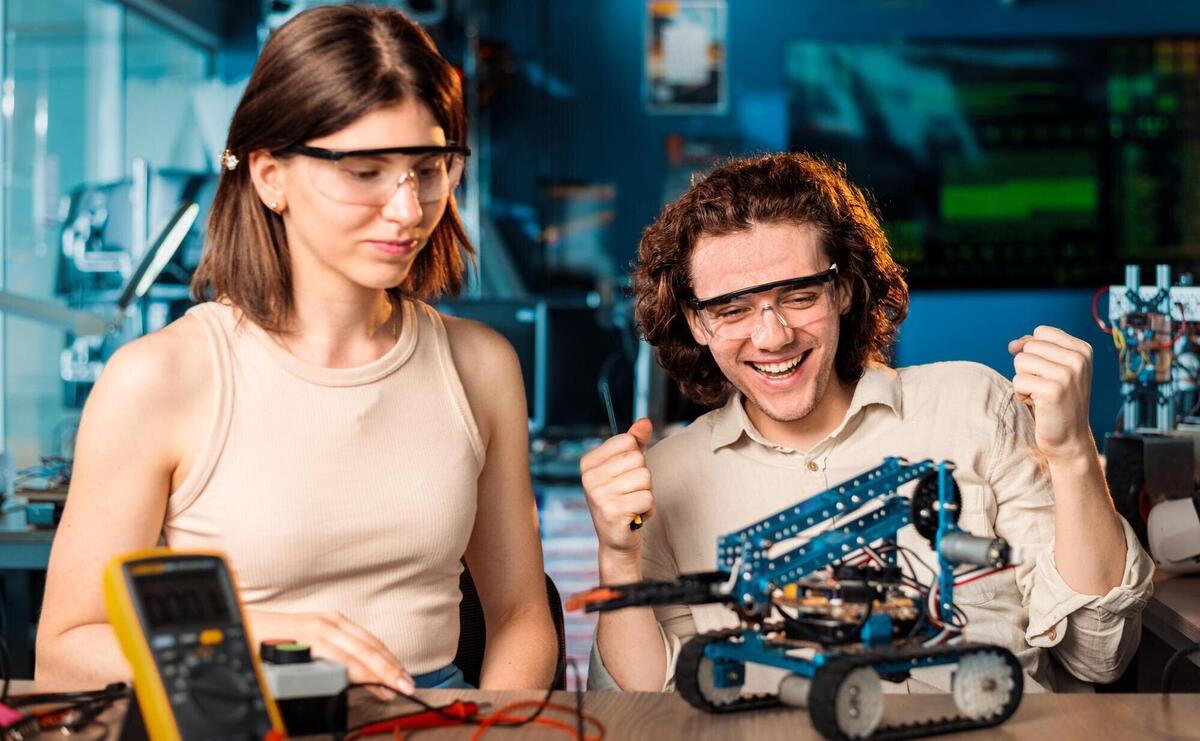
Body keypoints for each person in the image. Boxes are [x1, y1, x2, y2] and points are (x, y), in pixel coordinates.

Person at [37, 5, 556, 695]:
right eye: (365, 170)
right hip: (242, 713)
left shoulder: (480, 365)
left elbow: (521, 614)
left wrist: (488, 729)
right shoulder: (159, 378)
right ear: (269, 175)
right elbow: (68, 652)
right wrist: (266, 643)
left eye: (429, 168)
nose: (408, 209)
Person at [581, 152, 1153, 694]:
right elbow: (646, 701)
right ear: (697, 324)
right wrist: (618, 557)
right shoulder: (662, 481)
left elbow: (1098, 656)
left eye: (800, 296)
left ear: (846, 289)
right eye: (732, 309)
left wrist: (1073, 450)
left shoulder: (974, 404)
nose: (773, 336)